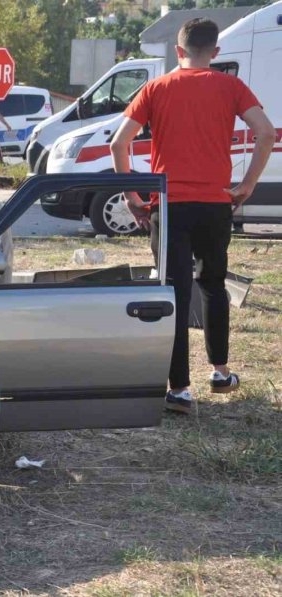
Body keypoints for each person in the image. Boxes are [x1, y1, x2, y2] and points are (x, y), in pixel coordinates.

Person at [110, 18, 274, 414]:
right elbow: (266, 133)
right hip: (216, 204)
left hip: (170, 205)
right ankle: (220, 372)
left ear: (178, 51)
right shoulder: (231, 86)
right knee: (214, 285)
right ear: (215, 53)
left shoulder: (156, 88)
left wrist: (133, 196)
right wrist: (247, 184)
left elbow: (120, 143)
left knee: (174, 293)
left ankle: (179, 390)